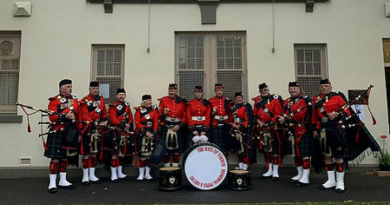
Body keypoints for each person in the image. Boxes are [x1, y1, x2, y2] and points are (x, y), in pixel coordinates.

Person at [312, 79, 350, 193]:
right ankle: (331, 180)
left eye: (326, 86)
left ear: (331, 87)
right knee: (327, 155)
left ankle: (340, 182)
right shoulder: (316, 100)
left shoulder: (338, 98)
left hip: (336, 129)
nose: (324, 88)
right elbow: (314, 115)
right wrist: (314, 129)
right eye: (322, 86)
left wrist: (337, 114)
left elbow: (347, 112)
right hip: (323, 130)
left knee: (338, 156)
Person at [45, 79, 79, 193]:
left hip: (70, 132)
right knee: (55, 158)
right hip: (58, 131)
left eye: (71, 86)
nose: (70, 88)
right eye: (68, 86)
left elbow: (77, 115)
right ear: (61, 88)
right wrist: (65, 117)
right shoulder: (54, 100)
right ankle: (52, 182)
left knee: (65, 157)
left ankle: (63, 180)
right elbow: (52, 117)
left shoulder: (74, 100)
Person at [278, 82, 313, 187]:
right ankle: (300, 174)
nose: (292, 90)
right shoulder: (286, 101)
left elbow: (301, 114)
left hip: (303, 130)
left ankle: (306, 177)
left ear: (299, 89)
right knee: (296, 153)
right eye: (291, 88)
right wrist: (281, 118)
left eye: (295, 88)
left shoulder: (305, 100)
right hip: (291, 130)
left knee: (304, 154)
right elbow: (283, 112)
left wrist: (286, 118)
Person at [79, 81, 108, 185]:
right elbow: (84, 115)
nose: (95, 90)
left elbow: (103, 112)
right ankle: (85, 176)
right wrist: (93, 123)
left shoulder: (101, 99)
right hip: (88, 128)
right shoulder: (84, 100)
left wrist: (105, 120)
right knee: (87, 153)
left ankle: (92, 174)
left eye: (97, 88)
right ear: (89, 89)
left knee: (95, 152)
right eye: (93, 88)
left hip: (98, 129)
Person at [255, 83, 284, 181]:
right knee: (267, 150)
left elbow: (278, 113)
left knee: (274, 150)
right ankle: (269, 170)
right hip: (263, 128)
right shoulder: (257, 101)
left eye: (265, 90)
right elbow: (255, 115)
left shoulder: (275, 100)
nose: (264, 92)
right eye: (262, 90)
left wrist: (270, 123)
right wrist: (260, 123)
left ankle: (275, 171)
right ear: (259, 92)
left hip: (273, 128)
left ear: (268, 90)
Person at [107, 88, 133, 182]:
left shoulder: (127, 106)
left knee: (122, 152)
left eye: (123, 94)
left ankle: (120, 172)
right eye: (119, 94)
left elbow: (130, 117)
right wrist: (123, 124)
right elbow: (113, 119)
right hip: (116, 130)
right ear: (116, 96)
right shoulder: (112, 106)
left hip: (124, 131)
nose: (121, 96)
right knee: (114, 153)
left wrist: (129, 125)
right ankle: (113, 174)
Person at [158, 83, 187, 167]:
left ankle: (175, 169)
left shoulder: (182, 101)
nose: (171, 92)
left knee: (176, 151)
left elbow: (184, 115)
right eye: (170, 90)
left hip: (177, 125)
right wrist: (164, 114)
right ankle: (167, 169)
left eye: (173, 90)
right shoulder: (163, 100)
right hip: (166, 125)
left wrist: (180, 125)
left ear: (176, 91)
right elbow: (159, 115)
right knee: (165, 150)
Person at [134, 94, 159, 181]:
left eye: (150, 100)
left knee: (149, 156)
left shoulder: (154, 110)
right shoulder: (139, 110)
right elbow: (137, 123)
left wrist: (154, 132)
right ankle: (141, 174)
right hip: (142, 133)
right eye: (148, 101)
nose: (150, 102)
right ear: (143, 102)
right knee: (143, 156)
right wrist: (145, 132)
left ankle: (147, 174)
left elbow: (156, 122)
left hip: (151, 133)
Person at [230, 91, 254, 170]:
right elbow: (232, 119)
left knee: (245, 149)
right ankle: (240, 167)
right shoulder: (233, 107)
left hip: (244, 129)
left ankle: (245, 167)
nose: (239, 99)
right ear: (235, 99)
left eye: (240, 97)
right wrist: (233, 125)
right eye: (237, 98)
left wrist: (241, 127)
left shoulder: (246, 105)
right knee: (238, 149)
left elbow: (248, 119)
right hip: (235, 129)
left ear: (242, 98)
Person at [209, 83, 233, 159]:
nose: (219, 92)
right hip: (216, 124)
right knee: (216, 146)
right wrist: (213, 112)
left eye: (221, 90)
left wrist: (230, 123)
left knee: (225, 147)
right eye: (217, 90)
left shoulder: (227, 101)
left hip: (225, 124)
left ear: (223, 91)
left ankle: (225, 163)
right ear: (215, 91)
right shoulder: (211, 101)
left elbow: (230, 113)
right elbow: (208, 115)